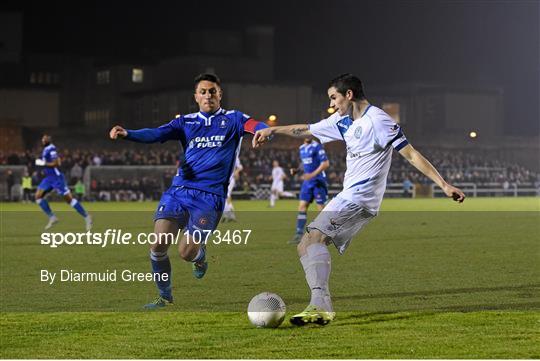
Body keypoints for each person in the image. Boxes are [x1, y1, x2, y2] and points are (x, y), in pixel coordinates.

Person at [253, 73, 465, 326]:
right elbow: (306, 129)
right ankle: (321, 305)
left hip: (360, 198)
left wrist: (443, 184)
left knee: (314, 238)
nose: (333, 104)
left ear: (349, 95)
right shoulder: (342, 120)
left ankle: (320, 306)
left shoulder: (378, 121)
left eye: (334, 98)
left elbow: (410, 154)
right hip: (347, 195)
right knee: (305, 245)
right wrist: (273, 130)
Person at [109, 73, 269, 309]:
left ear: (220, 94)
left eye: (212, 91)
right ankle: (165, 297)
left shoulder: (233, 119)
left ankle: (199, 257)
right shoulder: (185, 122)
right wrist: (128, 133)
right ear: (195, 96)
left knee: (186, 251)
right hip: (179, 191)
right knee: (158, 244)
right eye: (203, 92)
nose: (208, 95)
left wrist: (262, 131)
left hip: (210, 196)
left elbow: (257, 124)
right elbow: (156, 134)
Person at [35, 135, 92, 230]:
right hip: (49, 178)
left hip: (56, 178)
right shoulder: (46, 149)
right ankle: (52, 217)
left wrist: (43, 163)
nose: (43, 140)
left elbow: (57, 163)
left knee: (69, 199)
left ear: (48, 140)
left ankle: (87, 217)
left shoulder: (51, 149)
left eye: (45, 138)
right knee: (38, 196)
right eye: (43, 138)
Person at [288, 138, 330, 245]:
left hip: (318, 181)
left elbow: (325, 163)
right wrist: (297, 170)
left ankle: (326, 234)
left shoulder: (317, 146)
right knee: (302, 206)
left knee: (321, 209)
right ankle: (298, 234)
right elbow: (304, 163)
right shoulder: (301, 148)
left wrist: (312, 174)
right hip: (307, 182)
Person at [222, 156, 243, 222]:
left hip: (230, 179)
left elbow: (240, 167)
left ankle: (230, 215)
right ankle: (228, 215)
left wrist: (236, 172)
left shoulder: (235, 155)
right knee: (224, 197)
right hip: (223, 179)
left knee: (226, 195)